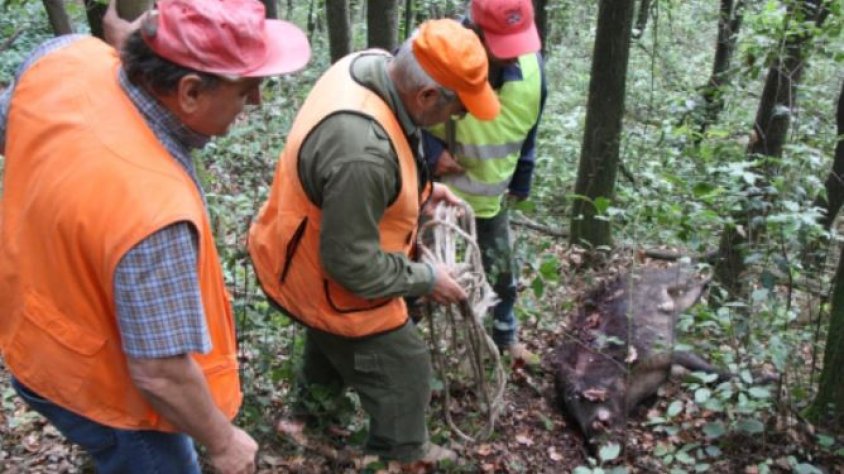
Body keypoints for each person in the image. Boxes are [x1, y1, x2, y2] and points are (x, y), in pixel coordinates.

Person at [0, 0, 310, 472]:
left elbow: (14, 129)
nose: (257, 103)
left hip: (29, 327)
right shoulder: (152, 210)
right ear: (189, 92)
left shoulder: (62, 59)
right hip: (94, 385)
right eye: (248, 89)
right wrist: (223, 440)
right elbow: (160, 373)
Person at [247, 19, 499, 464]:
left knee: (333, 338)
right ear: (427, 96)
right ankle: (399, 456)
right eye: (457, 110)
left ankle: (306, 420)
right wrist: (426, 279)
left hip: (300, 254)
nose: (455, 119)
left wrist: (422, 193)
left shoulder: (372, 67)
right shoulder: (361, 153)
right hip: (321, 272)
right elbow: (349, 263)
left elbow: (384, 163)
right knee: (407, 364)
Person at [422, 0, 547, 364]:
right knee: (417, 273)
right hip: (429, 196)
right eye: (502, 46)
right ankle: (410, 347)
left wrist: (522, 178)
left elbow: (529, 127)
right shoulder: (433, 53)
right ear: (474, 30)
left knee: (502, 272)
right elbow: (394, 111)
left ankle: (503, 337)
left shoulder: (533, 69)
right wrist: (431, 152)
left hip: (490, 198)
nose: (513, 56)